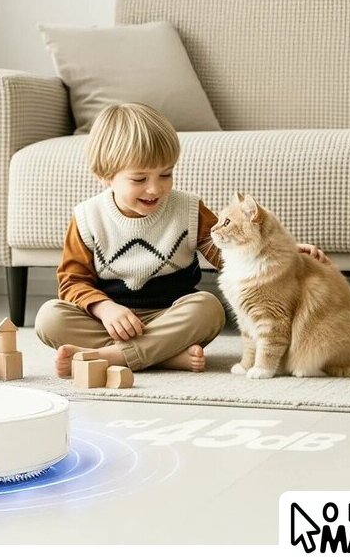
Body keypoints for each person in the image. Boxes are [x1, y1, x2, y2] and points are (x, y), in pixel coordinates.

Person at [34, 102, 328, 377]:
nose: (155, 189)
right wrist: (105, 309)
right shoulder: (87, 217)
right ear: (104, 175)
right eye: (139, 179)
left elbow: (229, 250)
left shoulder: (187, 208)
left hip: (171, 317)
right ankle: (163, 356)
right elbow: (72, 282)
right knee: (49, 317)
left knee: (208, 308)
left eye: (165, 174)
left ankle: (117, 356)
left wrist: (281, 254)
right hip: (110, 322)